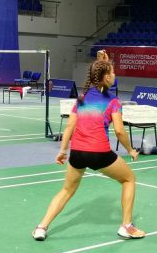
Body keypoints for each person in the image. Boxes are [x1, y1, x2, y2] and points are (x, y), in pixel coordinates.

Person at [33, 59, 144, 241]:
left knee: (66, 190)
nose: (115, 75)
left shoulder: (81, 99)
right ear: (106, 77)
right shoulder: (113, 101)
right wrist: (131, 150)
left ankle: (41, 227)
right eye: (112, 72)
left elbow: (69, 126)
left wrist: (63, 151)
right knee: (129, 179)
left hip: (77, 153)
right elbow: (119, 131)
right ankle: (126, 226)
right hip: (100, 153)